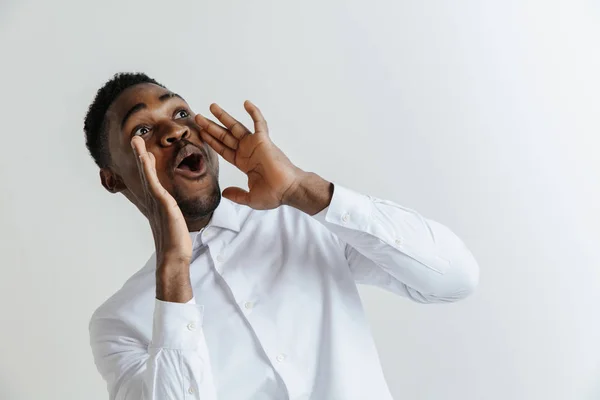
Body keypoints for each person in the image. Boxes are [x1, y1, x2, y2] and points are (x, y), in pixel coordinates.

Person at [86, 72, 479, 400]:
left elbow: (455, 279)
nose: (175, 130)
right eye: (142, 129)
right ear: (113, 179)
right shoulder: (119, 323)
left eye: (181, 113)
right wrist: (173, 271)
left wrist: (303, 191)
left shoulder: (305, 219)